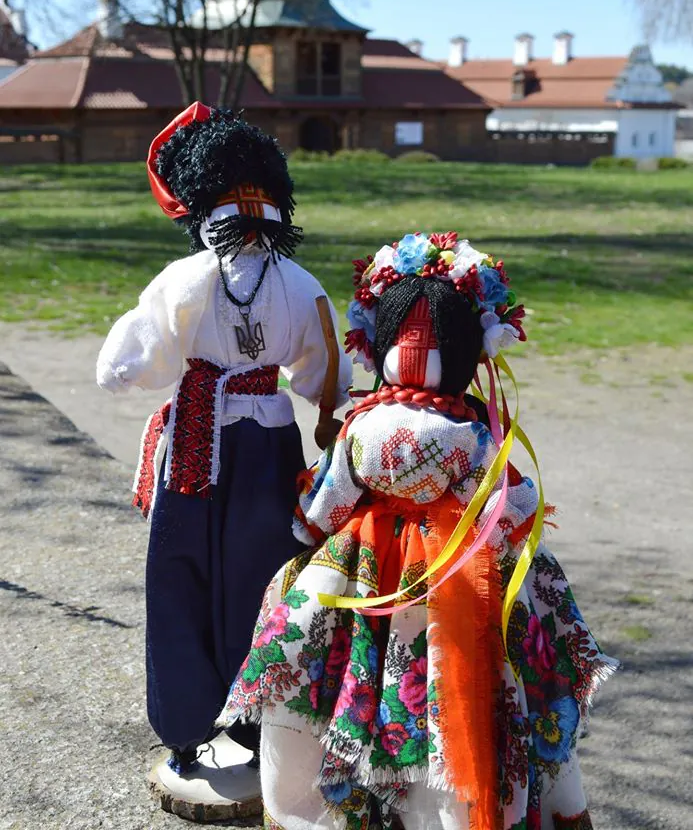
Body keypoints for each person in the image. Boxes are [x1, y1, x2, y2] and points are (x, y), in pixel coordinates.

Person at [218, 231, 617, 829]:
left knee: (318, 647)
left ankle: (329, 803)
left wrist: (304, 529)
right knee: (468, 680)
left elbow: (324, 508)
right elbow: (513, 504)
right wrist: (525, 532)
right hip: (460, 562)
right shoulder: (471, 433)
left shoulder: (362, 426)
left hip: (363, 565)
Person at [96, 102, 351, 774]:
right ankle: (253, 719)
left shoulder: (182, 280)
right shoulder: (299, 284)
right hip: (266, 445)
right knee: (261, 578)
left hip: (199, 445)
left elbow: (130, 366)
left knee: (183, 575)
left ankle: (187, 725)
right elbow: (324, 376)